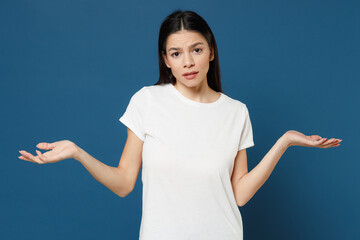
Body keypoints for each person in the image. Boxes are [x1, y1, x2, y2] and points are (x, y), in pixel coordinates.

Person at [18, 9, 342, 240]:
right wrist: (77, 152)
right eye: (176, 53)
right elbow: (124, 183)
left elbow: (239, 195)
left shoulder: (236, 112)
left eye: (196, 50)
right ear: (165, 59)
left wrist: (283, 141)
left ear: (211, 52)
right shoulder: (147, 101)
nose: (187, 62)